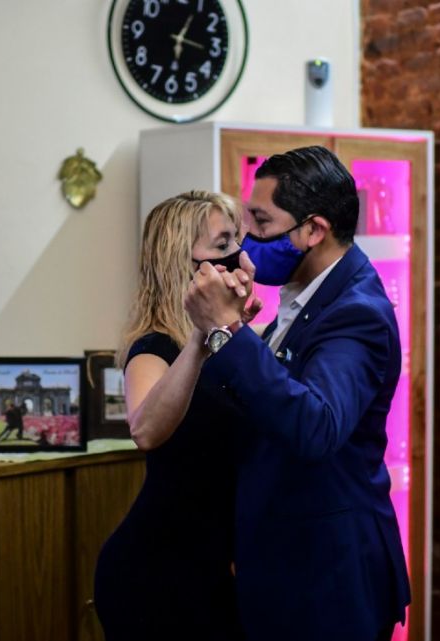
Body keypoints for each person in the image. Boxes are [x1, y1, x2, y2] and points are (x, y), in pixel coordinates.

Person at [183, 146, 411, 641]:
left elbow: (316, 426)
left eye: (261, 222)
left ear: (313, 231)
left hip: (328, 576)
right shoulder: (303, 292)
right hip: (284, 562)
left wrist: (227, 330)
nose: (247, 240)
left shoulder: (357, 312)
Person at [94, 190, 258, 641]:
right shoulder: (154, 349)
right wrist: (200, 340)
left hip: (212, 571)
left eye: (236, 241)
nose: (237, 255)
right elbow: (145, 430)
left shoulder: (230, 339)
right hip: (156, 576)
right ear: (181, 262)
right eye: (222, 245)